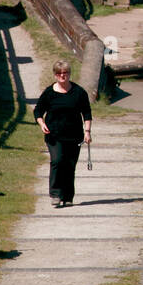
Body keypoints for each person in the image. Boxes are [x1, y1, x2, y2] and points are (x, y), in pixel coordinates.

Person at [34, 60, 92, 207]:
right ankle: (55, 194)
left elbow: (86, 113)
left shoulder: (79, 92)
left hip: (74, 135)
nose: (62, 76)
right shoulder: (49, 93)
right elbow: (38, 111)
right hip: (54, 134)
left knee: (70, 165)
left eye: (65, 73)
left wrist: (87, 132)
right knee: (57, 161)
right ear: (55, 75)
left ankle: (67, 196)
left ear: (69, 74)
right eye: (59, 73)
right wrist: (42, 124)